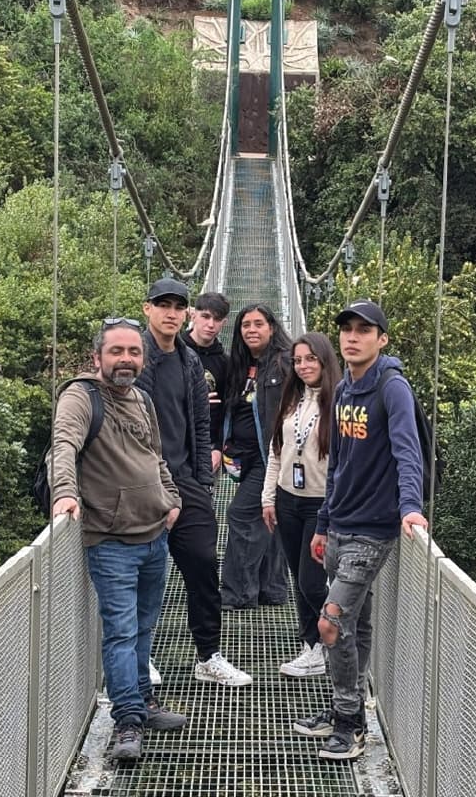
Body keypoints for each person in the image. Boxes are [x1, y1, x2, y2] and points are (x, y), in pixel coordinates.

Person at [292, 299, 428, 760]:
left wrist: (411, 507)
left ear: (381, 339)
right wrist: (323, 523)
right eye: (346, 330)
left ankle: (349, 723)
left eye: (363, 331)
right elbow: (339, 467)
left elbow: (409, 454)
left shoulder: (393, 389)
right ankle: (344, 711)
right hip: (340, 526)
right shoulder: (344, 391)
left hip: (374, 531)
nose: (352, 337)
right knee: (354, 624)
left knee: (329, 625)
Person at [50, 318, 187, 761]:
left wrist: (172, 498)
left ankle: (144, 703)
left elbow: (155, 456)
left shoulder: (142, 398)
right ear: (98, 358)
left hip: (154, 534)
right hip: (110, 540)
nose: (125, 359)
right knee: (121, 633)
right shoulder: (81, 396)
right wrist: (66, 492)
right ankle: (127, 722)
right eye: (116, 352)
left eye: (133, 352)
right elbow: (63, 446)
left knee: (144, 629)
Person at [136, 278, 252, 686]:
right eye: (162, 305)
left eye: (178, 306)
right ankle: (140, 657)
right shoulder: (135, 356)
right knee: (146, 574)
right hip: (141, 482)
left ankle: (209, 656)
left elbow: (202, 423)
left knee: (203, 564)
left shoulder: (189, 362)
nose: (171, 312)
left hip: (186, 479)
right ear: (147, 309)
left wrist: (202, 480)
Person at [262, 332, 341, 677]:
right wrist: (268, 497)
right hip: (287, 499)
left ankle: (331, 640)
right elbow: (276, 451)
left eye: (311, 358)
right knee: (298, 577)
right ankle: (311, 646)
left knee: (312, 581)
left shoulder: (341, 401)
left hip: (320, 505)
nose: (304, 366)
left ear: (325, 360)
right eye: (298, 360)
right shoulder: (292, 399)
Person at [220, 304, 292, 609]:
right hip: (245, 457)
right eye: (245, 325)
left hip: (272, 458)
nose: (251, 330)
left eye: (258, 324)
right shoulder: (243, 365)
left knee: (240, 515)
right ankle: (271, 590)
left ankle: (237, 594)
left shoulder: (285, 362)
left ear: (272, 328)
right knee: (267, 519)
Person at [183, 292, 231, 473]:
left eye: (217, 319)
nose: (210, 324)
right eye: (205, 316)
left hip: (208, 446)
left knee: (203, 501)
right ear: (193, 315)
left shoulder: (225, 363)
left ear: (224, 323)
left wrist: (218, 448)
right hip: (175, 442)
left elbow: (227, 409)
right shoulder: (174, 351)